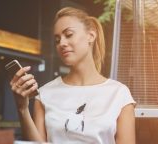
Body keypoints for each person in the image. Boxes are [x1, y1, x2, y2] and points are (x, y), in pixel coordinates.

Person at [10, 7, 136, 144]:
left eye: (69, 34)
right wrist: (22, 109)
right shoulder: (45, 94)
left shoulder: (119, 94)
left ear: (91, 36)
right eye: (57, 40)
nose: (62, 44)